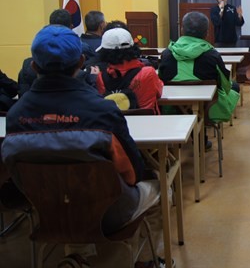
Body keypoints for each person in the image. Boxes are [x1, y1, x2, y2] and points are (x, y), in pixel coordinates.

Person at [1, 25, 167, 268]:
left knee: (69, 189)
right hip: (108, 212)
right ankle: (148, 260)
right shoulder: (102, 112)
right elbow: (132, 172)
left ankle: (78, 256)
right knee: (162, 186)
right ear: (80, 62)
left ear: (34, 66)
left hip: (46, 210)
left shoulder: (16, 117)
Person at [159, 12, 240, 149]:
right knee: (234, 87)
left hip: (172, 109)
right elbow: (226, 86)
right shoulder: (212, 55)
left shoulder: (167, 54)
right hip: (208, 110)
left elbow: (160, 83)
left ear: (182, 30)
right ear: (207, 33)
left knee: (187, 107)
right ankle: (201, 137)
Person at [17, 9, 95, 97]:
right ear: (80, 61)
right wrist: (94, 79)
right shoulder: (83, 49)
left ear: (34, 65)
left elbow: (22, 93)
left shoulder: (18, 110)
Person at [95, 28, 163, 114]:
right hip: (146, 123)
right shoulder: (148, 73)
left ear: (104, 53)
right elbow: (159, 92)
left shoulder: (100, 77)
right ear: (133, 48)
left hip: (114, 124)